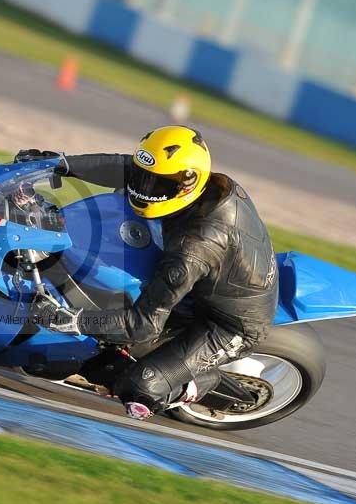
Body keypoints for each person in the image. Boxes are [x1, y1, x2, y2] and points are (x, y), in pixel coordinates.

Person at [26, 126, 278, 420]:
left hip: (228, 324)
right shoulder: (198, 183)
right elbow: (126, 168)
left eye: (156, 186)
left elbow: (144, 325)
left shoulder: (193, 249)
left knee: (138, 387)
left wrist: (71, 321)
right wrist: (63, 164)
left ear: (186, 185)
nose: (144, 189)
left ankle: (197, 384)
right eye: (145, 178)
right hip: (215, 275)